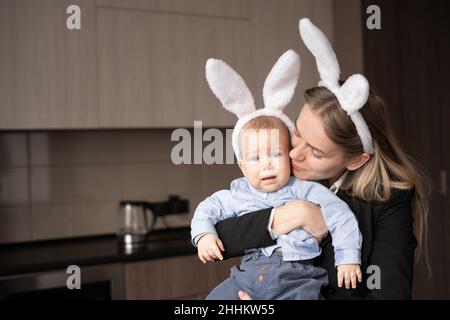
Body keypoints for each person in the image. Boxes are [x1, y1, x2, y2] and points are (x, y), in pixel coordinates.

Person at [214, 19, 430, 300]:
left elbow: (387, 295)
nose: (294, 154)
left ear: (355, 160)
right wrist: (291, 215)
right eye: (297, 134)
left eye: (316, 152)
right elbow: (219, 234)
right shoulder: (280, 168)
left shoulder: (388, 201)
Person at [191, 50, 362, 300]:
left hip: (296, 278)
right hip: (245, 277)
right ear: (242, 166)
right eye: (256, 158)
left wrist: (348, 259)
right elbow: (206, 210)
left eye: (276, 154)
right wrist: (204, 235)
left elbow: (340, 215)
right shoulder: (236, 194)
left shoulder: (306, 189)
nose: (267, 166)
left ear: (289, 154)